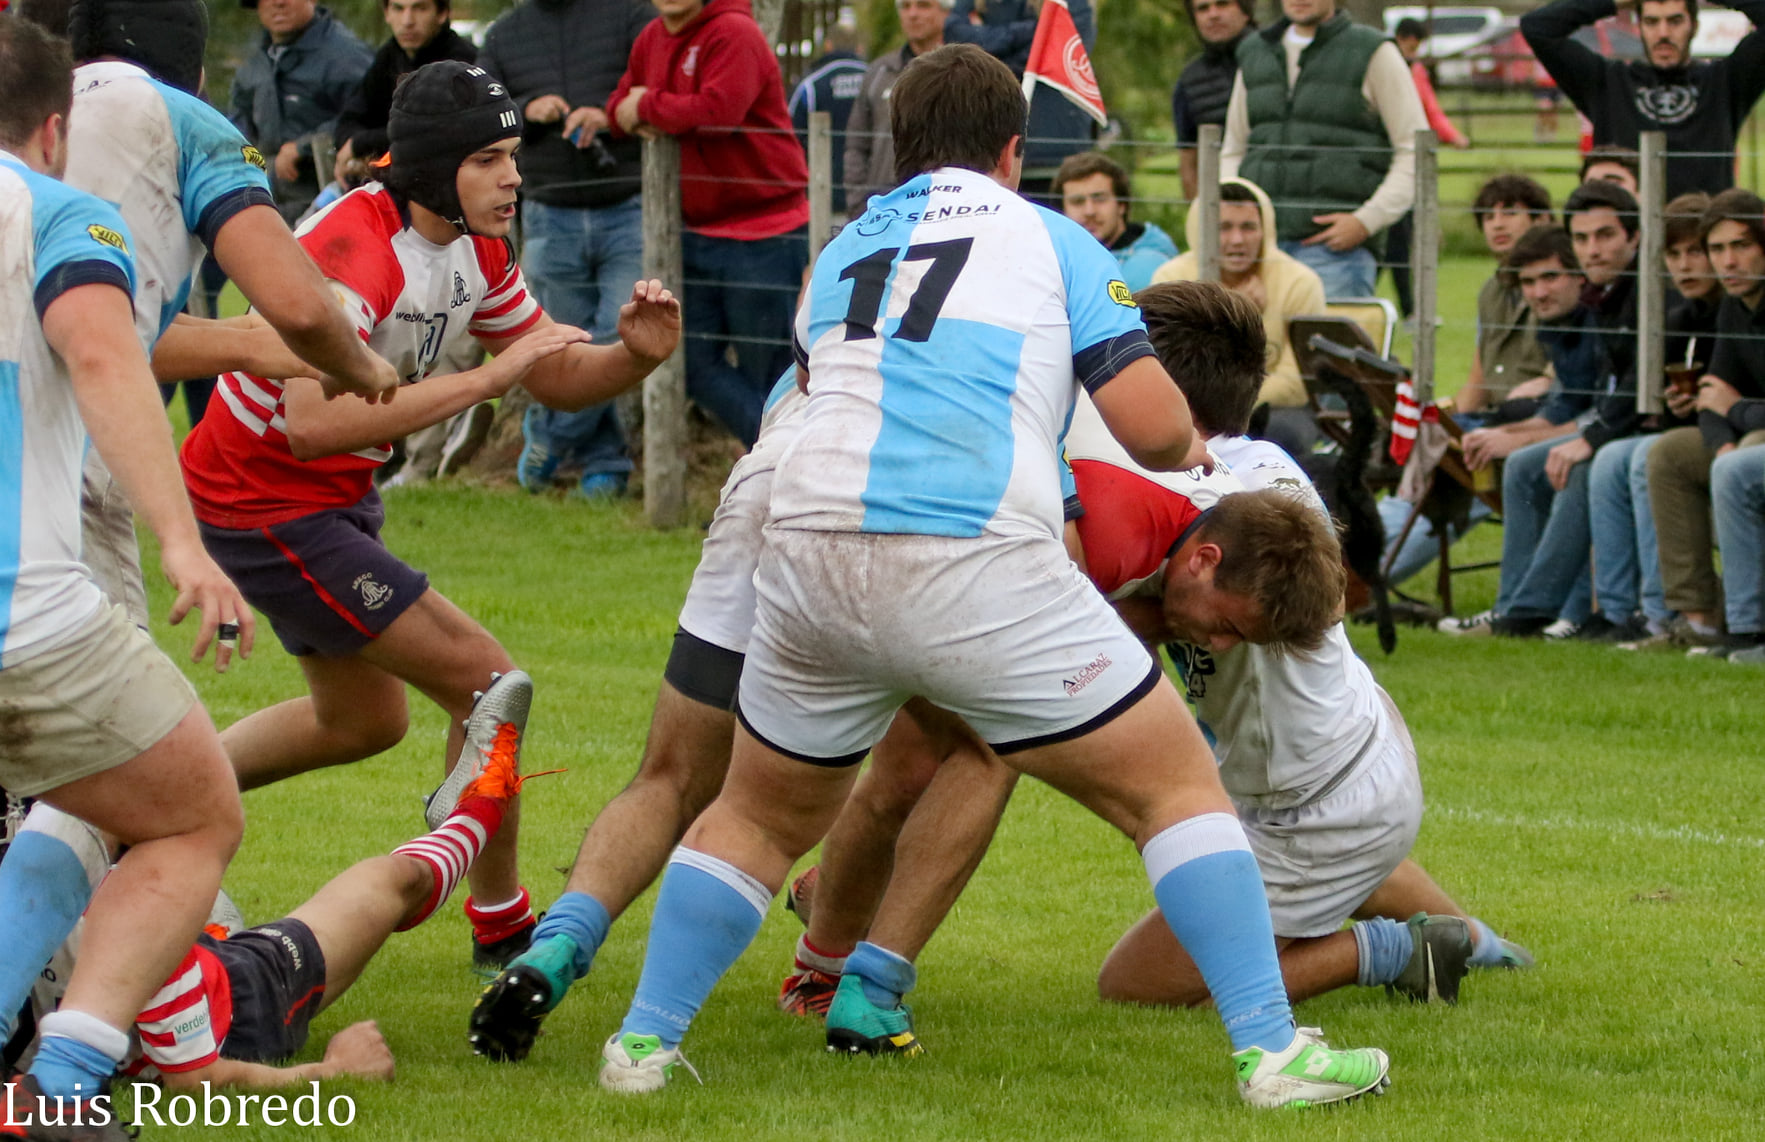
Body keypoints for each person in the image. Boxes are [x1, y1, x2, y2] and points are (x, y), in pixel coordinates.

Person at [591, 44, 1390, 1109]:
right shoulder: (1052, 236)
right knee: (1174, 788)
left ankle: (642, 1046)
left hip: (808, 543)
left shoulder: (838, 250)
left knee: (759, 817)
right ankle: (1271, 1054)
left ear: (897, 147)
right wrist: (1192, 453)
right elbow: (1154, 428)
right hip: (965, 545)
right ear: (1013, 151)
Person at [773, 282, 1531, 1033]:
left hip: (1317, 803)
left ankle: (1396, 952)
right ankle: (1472, 940)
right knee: (1307, 845)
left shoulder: (1203, 497)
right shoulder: (1250, 470)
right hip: (1353, 763)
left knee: (1137, 984)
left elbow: (1318, 598)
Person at [176, 62, 681, 974]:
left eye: (512, 156)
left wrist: (631, 357)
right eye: (487, 160)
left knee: (360, 723)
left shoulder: (477, 245)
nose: (512, 178)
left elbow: (548, 371)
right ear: (432, 168)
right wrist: (485, 380)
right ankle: (501, 921)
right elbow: (310, 425)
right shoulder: (355, 250)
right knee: (489, 685)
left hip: (325, 497)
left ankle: (152, 802)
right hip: (264, 499)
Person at [0, 19, 247, 1135]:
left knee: (91, 793)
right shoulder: (63, 213)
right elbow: (106, 356)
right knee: (193, 813)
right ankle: (63, 1082)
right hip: (29, 621)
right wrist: (183, 544)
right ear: (55, 129)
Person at [7, 674, 534, 1091]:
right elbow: (196, 1079)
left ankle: (471, 808)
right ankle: (479, 802)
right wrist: (333, 1072)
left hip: (182, 963)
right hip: (241, 1003)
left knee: (388, 879)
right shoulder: (130, 910)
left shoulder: (94, 881)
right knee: (394, 882)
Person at [607, 0, 809, 447]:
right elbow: (618, 107)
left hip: (763, 234)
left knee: (769, 373)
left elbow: (719, 113)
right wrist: (643, 111)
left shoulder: (735, 32)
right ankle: (778, 455)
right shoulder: (651, 38)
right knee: (689, 364)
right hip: (694, 234)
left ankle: (780, 463)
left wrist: (649, 107)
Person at [1443, 191, 1642, 639]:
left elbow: (1599, 408)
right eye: (1529, 283)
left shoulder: (1600, 311)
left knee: (1559, 464)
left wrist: (1518, 437)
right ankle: (1512, 606)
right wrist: (1511, 433)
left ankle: (1547, 612)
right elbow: (1566, 405)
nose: (1539, 292)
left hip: (1619, 430)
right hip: (1600, 426)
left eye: (1550, 277)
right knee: (1522, 463)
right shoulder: (1562, 319)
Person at [479, 0, 656, 498]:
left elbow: (656, 89)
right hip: (547, 209)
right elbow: (480, 115)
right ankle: (605, 462)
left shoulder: (631, 15)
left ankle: (550, 435)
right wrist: (525, 110)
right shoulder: (503, 34)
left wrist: (607, 115)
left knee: (619, 332)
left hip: (628, 203)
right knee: (566, 344)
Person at [1379, 174, 1555, 588]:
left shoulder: (1558, 285)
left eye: (1510, 213)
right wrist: (1442, 417)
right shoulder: (1491, 291)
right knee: (1421, 454)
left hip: (1532, 424)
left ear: (1543, 219)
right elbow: (1477, 384)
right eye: (1488, 216)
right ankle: (1353, 560)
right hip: (1488, 421)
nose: (1497, 224)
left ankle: (1363, 576)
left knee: (1449, 475)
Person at [1580, 190, 1718, 642]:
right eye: (1673, 255)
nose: (1684, 266)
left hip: (1726, 436)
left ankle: (1664, 611)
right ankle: (1620, 611)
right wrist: (1682, 404)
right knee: (1611, 459)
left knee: (1647, 457)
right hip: (1698, 433)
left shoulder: (1731, 311)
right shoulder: (1680, 316)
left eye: (1695, 252)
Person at [1221, 0, 1427, 299]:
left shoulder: (1373, 51)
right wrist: (1233, 219)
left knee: (1323, 333)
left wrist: (1366, 221)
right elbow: (1233, 148)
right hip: (1257, 253)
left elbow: (1416, 150)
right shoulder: (1255, 51)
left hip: (1336, 254)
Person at [1634, 188, 1765, 654]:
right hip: (1747, 437)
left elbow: (1727, 402)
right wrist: (1722, 441)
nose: (1728, 261)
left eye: (1741, 246)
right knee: (1669, 454)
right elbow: (1712, 396)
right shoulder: (1734, 305)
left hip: (1755, 438)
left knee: (1740, 463)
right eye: (1718, 249)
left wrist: (1736, 413)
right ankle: (1698, 619)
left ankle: (1748, 630)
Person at [1151, 177, 1326, 463]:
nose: (1237, 240)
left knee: (1281, 433)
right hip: (1186, 405)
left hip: (1275, 409)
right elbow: (1165, 369)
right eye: (1223, 227)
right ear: (1201, 230)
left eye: (1248, 227)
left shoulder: (1300, 282)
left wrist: (1251, 322)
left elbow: (1298, 383)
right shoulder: (1171, 277)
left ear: (1266, 230)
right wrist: (1231, 310)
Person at [1522, 0, 1765, 199]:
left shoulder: (1725, 83)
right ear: (1638, 27)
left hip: (1701, 235)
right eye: (1651, 22)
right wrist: (1615, 2)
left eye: (1675, 21)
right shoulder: (1607, 83)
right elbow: (1538, 27)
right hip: (1626, 234)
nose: (1663, 33)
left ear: (1694, 26)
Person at [229, 0, 373, 224]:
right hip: (266, 202)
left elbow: (372, 118)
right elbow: (237, 129)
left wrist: (303, 147)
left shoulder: (347, 56)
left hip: (331, 205)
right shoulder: (253, 60)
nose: (278, 3)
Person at [943, 0, 1097, 200]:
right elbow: (955, 38)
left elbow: (1053, 50)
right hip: (993, 158)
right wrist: (1035, 30)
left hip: (1055, 158)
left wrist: (991, 47)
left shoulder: (1071, 4)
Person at [334, 0, 477, 178]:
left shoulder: (460, 65)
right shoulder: (389, 56)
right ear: (386, 13)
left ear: (442, 13)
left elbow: (427, 133)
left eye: (420, 9)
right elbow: (350, 118)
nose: (407, 21)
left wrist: (360, 145)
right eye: (398, 9)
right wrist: (357, 154)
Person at [1385, 18, 1469, 318]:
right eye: (1411, 47)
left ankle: (1408, 309)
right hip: (1389, 164)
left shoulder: (1415, 70)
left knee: (1400, 238)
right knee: (1395, 240)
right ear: (1400, 39)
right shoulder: (1386, 67)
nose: (1414, 53)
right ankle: (1407, 310)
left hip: (1409, 163)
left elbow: (1429, 110)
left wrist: (1452, 135)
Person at [844, 0, 946, 213]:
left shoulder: (963, 73)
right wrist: (858, 202)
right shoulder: (878, 73)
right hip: (884, 207)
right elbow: (856, 144)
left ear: (946, 12)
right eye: (906, 7)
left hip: (945, 205)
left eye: (923, 6)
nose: (913, 14)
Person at [1052, 151, 1177, 292]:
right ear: (1062, 210)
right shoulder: (1053, 260)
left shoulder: (1151, 266)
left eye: (1099, 199)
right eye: (1077, 202)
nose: (1089, 211)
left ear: (1121, 205)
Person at [1171, 0, 1254, 202]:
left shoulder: (1279, 60)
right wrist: (1199, 213)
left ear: (1245, 11)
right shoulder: (1189, 81)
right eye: (1203, 8)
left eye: (1222, 4)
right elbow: (1189, 163)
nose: (1213, 14)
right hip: (1223, 203)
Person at [788, 22, 867, 222]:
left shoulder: (811, 85)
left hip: (822, 196)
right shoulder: (876, 78)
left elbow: (789, 138)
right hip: (873, 197)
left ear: (828, 45)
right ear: (859, 48)